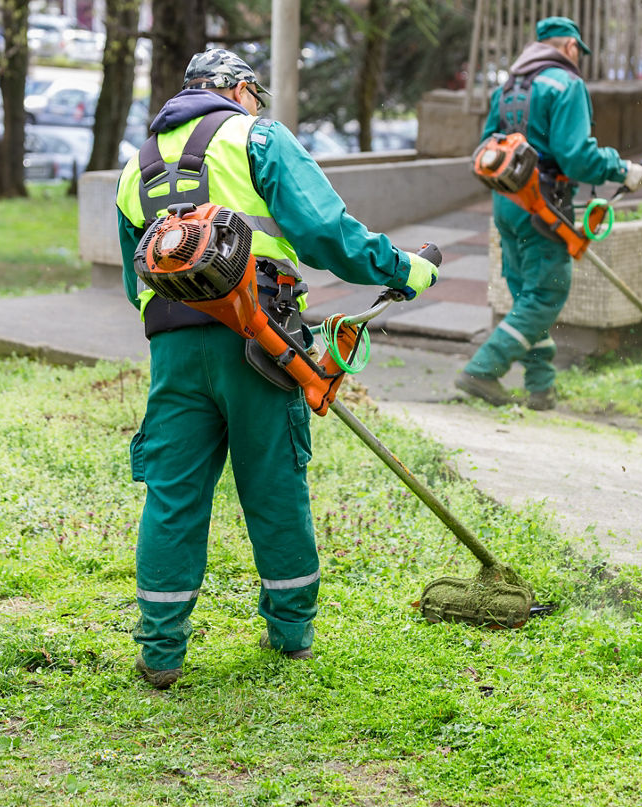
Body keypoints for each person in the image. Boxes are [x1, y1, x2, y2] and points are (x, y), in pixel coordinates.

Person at [114, 48, 439, 687]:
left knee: (173, 494)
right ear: (239, 91)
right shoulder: (254, 135)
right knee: (273, 483)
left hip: (174, 352)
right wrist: (403, 269)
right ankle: (291, 634)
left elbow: (137, 282)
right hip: (259, 343)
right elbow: (325, 230)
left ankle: (160, 652)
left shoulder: (135, 168)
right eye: (255, 95)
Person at [456, 16, 642, 411]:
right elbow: (576, 157)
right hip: (543, 205)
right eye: (579, 51)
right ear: (570, 47)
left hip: (506, 204)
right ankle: (482, 371)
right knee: (545, 295)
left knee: (526, 296)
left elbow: (485, 146)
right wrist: (622, 170)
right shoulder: (567, 84)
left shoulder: (508, 87)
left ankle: (541, 387)